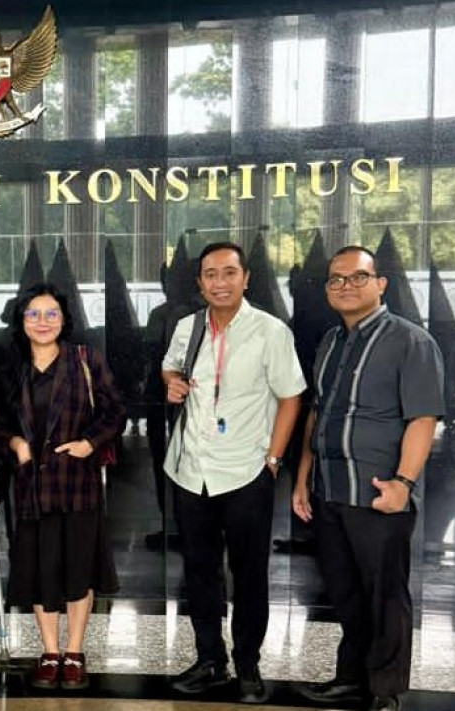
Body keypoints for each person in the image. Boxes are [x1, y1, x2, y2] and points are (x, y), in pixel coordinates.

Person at [293, 246, 444, 711]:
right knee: (345, 593)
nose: (346, 286)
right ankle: (351, 678)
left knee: (384, 596)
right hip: (329, 489)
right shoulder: (330, 342)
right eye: (336, 279)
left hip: (379, 493)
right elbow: (317, 412)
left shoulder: (410, 341)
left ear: (381, 284)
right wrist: (303, 479)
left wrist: (403, 484)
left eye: (358, 277)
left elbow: (423, 418)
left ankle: (385, 689)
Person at [162, 242, 305, 704]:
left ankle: (247, 664)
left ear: (245, 278)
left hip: (246, 471)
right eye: (210, 274)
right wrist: (172, 383)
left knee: (249, 574)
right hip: (191, 469)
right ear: (199, 282)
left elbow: (291, 398)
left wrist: (273, 461)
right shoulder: (187, 327)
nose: (220, 282)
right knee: (199, 572)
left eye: (229, 273)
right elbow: (170, 369)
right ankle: (209, 660)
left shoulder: (270, 331)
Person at [0, 282, 124, 692]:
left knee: (79, 569)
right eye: (33, 314)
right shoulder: (11, 369)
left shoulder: (85, 359)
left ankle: (75, 651)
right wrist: (16, 444)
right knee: (38, 569)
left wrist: (89, 443)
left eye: (51, 313)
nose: (43, 321)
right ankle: (50, 652)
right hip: (31, 487)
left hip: (77, 482)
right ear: (21, 321)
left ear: (64, 320)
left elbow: (115, 411)